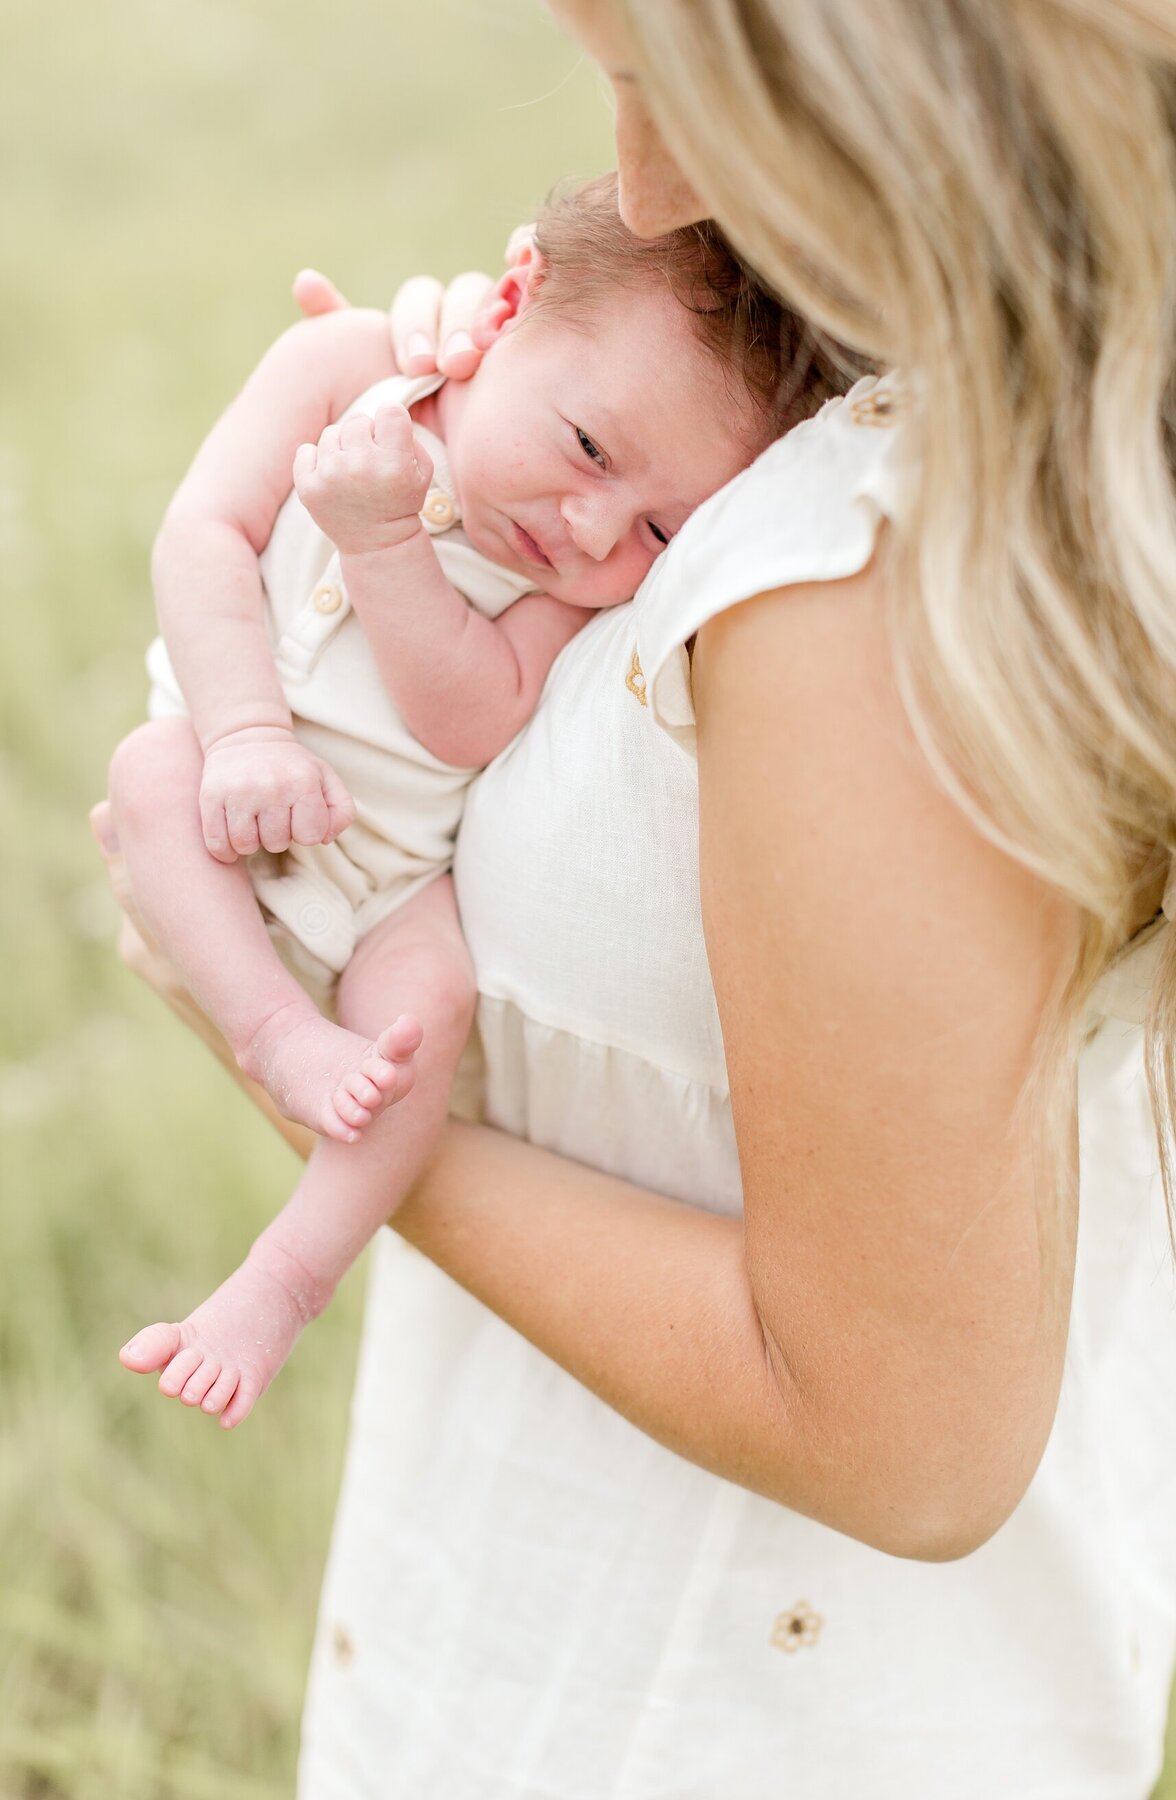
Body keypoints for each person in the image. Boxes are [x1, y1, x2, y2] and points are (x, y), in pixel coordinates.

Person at [93, 0, 1176, 1793]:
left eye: (677, 82)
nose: (642, 174)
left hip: (710, 1712)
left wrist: (328, 1087)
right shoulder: (961, 418)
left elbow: (905, 1439)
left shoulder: (849, 569)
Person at [106, 175, 825, 1430]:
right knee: (144, 778)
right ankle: (273, 1033)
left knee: (426, 1000)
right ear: (512, 301)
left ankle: (282, 1282)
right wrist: (244, 735)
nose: (593, 527)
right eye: (590, 448)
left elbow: (473, 714)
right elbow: (203, 531)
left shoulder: (570, 589)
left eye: (663, 529)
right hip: (226, 767)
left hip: (390, 875)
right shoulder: (345, 368)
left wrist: (385, 551)